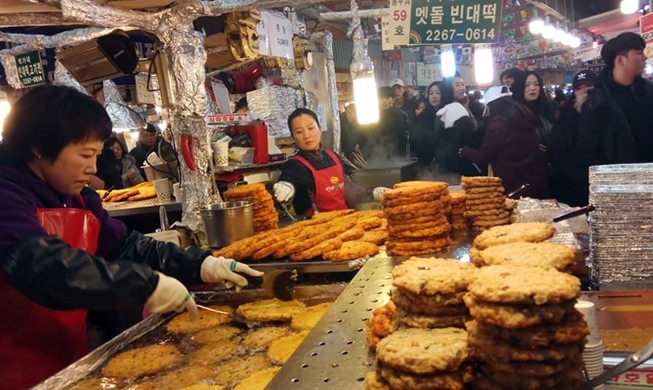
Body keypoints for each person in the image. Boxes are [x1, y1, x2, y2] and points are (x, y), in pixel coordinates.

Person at [0, 85, 263, 390]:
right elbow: (41, 265)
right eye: (86, 154)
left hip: (65, 358)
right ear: (39, 147)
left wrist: (199, 263)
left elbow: (123, 246)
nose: (93, 168)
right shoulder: (6, 193)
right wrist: (144, 285)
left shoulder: (79, 198)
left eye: (97, 155)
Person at [273, 108, 382, 215]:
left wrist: (373, 193)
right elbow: (285, 196)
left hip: (346, 223)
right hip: (316, 228)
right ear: (293, 137)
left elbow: (349, 191)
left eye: (310, 128)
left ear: (320, 129)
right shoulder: (294, 166)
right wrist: (286, 190)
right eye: (299, 132)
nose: (307, 136)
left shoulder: (333, 156)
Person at [576, 32, 653, 175]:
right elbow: (589, 153)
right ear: (620, 61)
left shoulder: (649, 91)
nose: (644, 57)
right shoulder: (597, 102)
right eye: (638, 52)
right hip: (620, 186)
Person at [459, 86, 549, 199]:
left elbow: (484, 155)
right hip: (533, 183)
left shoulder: (497, 126)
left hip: (511, 184)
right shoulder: (526, 118)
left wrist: (466, 151)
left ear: (493, 106)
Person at [549, 70, 597, 206]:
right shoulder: (566, 116)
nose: (584, 91)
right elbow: (557, 149)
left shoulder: (607, 112)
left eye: (589, 86)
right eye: (579, 88)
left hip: (603, 181)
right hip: (574, 185)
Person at [434, 74, 485, 177]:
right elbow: (464, 138)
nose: (462, 88)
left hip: (452, 164)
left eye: (462, 84)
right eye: (457, 85)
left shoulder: (458, 107)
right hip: (457, 166)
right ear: (449, 89)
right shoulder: (452, 109)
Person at [510, 71, 556, 154]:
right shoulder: (513, 114)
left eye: (536, 84)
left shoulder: (546, 110)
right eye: (527, 85)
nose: (532, 88)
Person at [412, 81, 443, 171]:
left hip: (446, 163)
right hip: (426, 164)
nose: (434, 96)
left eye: (438, 93)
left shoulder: (449, 113)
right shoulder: (422, 117)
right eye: (431, 93)